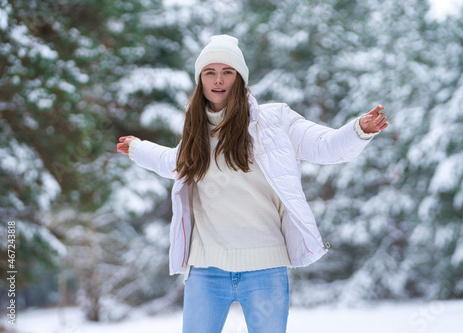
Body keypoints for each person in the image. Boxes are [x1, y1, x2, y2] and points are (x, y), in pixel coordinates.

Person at [116, 34, 388, 333]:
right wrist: (138, 148)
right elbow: (175, 164)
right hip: (207, 270)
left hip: (265, 268)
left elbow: (324, 145)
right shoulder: (197, 129)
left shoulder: (275, 121)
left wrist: (357, 130)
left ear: (240, 78)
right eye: (210, 72)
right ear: (200, 80)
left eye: (227, 72)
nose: (218, 80)